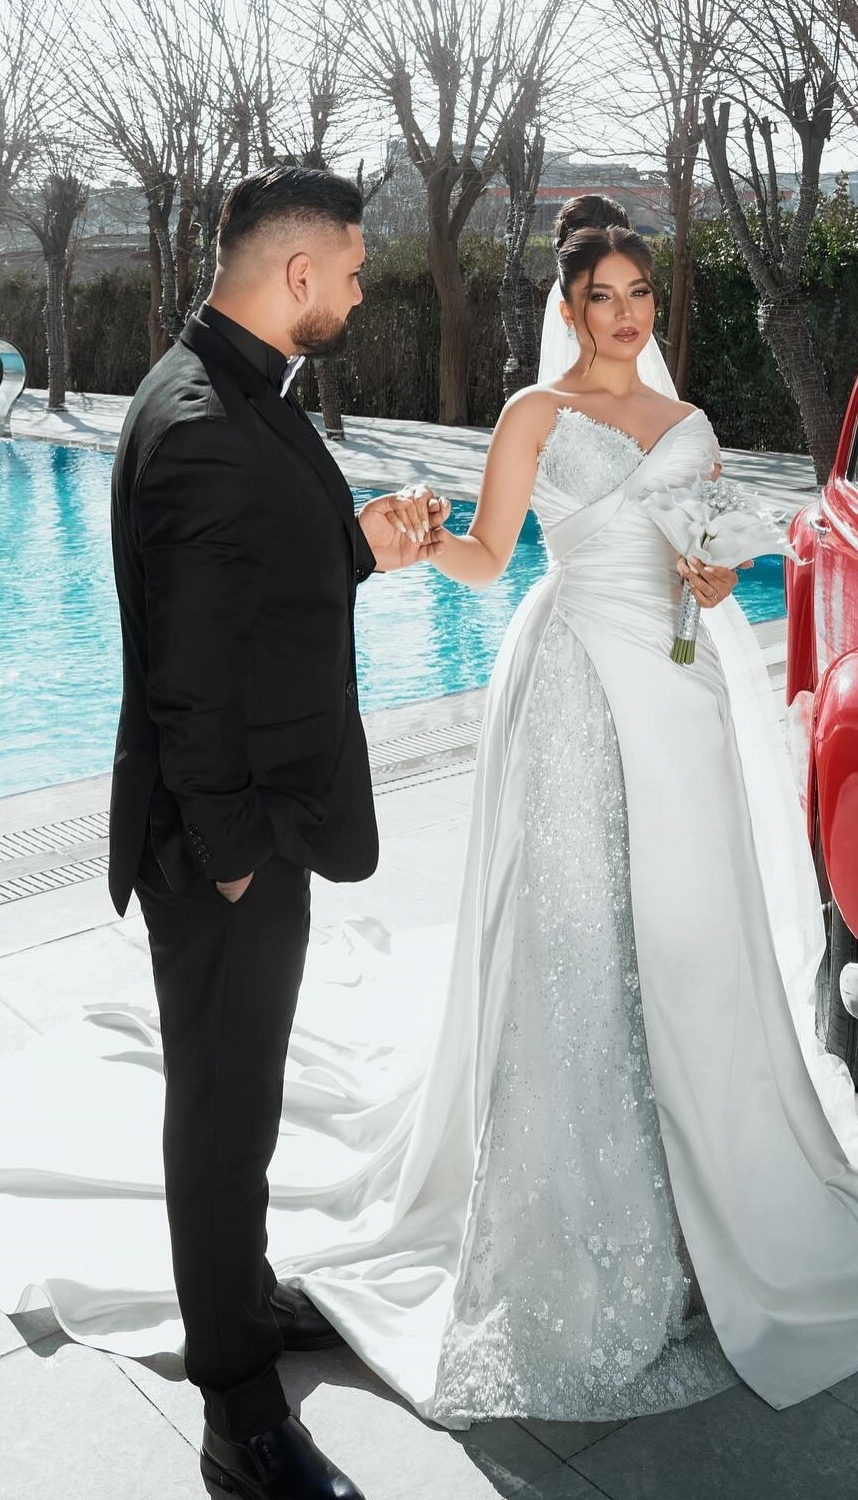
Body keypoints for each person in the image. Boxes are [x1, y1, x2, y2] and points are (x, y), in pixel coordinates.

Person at [1, 195, 858, 1461]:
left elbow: (692, 552)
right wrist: (421, 557)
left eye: (643, 297)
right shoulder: (508, 416)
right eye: (603, 298)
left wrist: (696, 573)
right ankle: (291, 1365)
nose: (627, 319)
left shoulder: (686, 425)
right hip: (575, 691)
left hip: (677, 697)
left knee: (689, 950)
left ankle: (714, 1188)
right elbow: (479, 558)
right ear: (568, 308)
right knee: (571, 946)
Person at [107, 166, 446, 1499]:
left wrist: (362, 550)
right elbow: (190, 682)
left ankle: (244, 1293)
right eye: (354, 267)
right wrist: (241, 852)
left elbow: (257, 586)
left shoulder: (231, 386)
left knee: (238, 1103)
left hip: (257, 828)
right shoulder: (199, 418)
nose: (364, 289)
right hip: (224, 847)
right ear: (296, 273)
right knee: (222, 1107)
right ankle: (238, 1414)